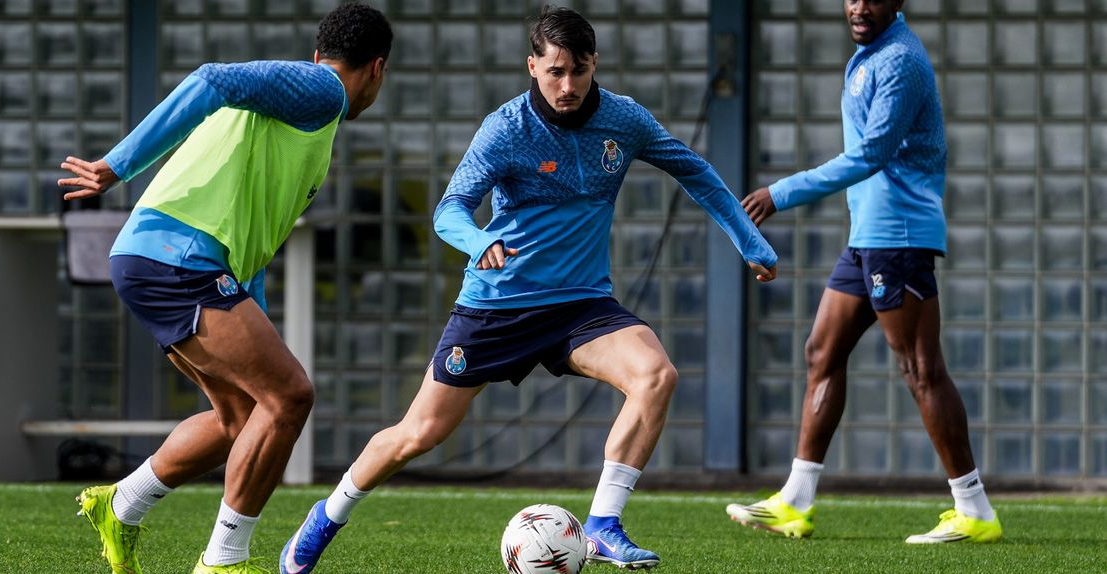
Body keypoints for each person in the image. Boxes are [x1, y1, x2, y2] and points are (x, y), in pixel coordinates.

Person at [277, 5, 777, 573]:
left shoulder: (624, 120)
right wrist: (475, 241)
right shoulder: (506, 128)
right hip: (498, 305)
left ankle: (604, 525)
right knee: (419, 433)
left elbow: (696, 172)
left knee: (656, 375)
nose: (568, 86)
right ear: (532, 67)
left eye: (580, 71)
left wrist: (749, 242)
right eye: (555, 72)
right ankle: (326, 516)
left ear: (595, 65)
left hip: (580, 306)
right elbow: (450, 210)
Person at [57, 4, 392, 573]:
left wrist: (258, 328)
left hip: (159, 257)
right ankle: (223, 562)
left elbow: (248, 243)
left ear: (318, 50)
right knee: (290, 397)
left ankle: (121, 503)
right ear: (377, 70)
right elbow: (210, 77)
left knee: (242, 417)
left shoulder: (293, 112)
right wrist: (116, 167)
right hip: (178, 256)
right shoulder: (324, 90)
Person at [726, 0, 1001, 544]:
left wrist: (780, 192)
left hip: (897, 235)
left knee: (920, 367)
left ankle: (974, 509)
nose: (859, 5)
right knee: (822, 352)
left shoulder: (899, 60)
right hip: (867, 237)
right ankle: (796, 502)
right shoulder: (869, 54)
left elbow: (870, 153)